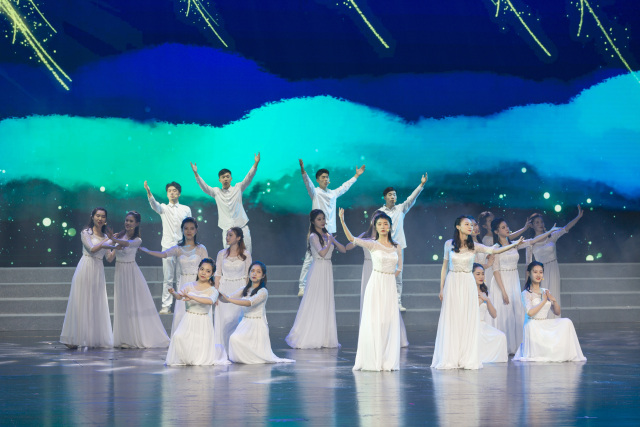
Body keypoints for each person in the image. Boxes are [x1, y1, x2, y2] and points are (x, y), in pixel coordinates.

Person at [431, 216, 523, 370]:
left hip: (467, 282)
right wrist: (442, 288)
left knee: (467, 318)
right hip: (453, 282)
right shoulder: (449, 244)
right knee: (453, 318)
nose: (470, 227)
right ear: (458, 226)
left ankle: (466, 357)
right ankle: (451, 356)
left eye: (471, 225)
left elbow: (494, 250)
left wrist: (515, 244)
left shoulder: (474, 245)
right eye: (466, 224)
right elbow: (444, 267)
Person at [340, 209, 402, 371]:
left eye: (385, 224)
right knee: (376, 321)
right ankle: (373, 358)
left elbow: (399, 267)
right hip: (376, 284)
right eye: (379, 224)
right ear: (375, 226)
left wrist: (389, 276)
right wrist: (342, 221)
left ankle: (386, 359)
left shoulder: (396, 246)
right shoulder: (372, 244)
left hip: (389, 285)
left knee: (388, 321)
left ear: (390, 226)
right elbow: (352, 239)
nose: (383, 226)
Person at [296, 159, 365, 296]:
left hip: (329, 231)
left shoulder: (333, 193)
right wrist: (303, 170)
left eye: (327, 177)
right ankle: (302, 286)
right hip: (316, 230)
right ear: (317, 180)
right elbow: (307, 183)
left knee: (326, 258)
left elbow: (345, 187)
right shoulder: (315, 192)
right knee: (310, 257)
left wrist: (356, 176)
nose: (325, 179)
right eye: (323, 177)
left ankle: (319, 285)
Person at [489, 218, 555, 354]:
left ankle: (514, 346)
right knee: (503, 312)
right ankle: (502, 348)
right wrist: (503, 291)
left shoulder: (514, 244)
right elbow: (495, 271)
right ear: (496, 231)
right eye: (503, 227)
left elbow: (532, 241)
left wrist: (550, 232)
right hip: (501, 282)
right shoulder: (495, 248)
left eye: (507, 226)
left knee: (515, 312)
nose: (507, 229)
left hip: (513, 280)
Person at [106, 211, 170, 348]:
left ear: (137, 223)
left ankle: (133, 338)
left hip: (131, 273)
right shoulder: (118, 236)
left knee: (131, 304)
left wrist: (113, 240)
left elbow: (127, 243)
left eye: (131, 221)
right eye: (126, 220)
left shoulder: (137, 240)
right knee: (122, 305)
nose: (128, 223)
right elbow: (110, 258)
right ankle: (124, 338)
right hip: (119, 273)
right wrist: (108, 243)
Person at [286, 209, 346, 349]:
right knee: (315, 301)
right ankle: (310, 335)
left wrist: (332, 240)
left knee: (326, 301)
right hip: (318, 270)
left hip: (327, 270)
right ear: (313, 222)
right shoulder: (313, 236)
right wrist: (329, 241)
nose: (322, 221)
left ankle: (325, 337)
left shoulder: (327, 234)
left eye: (323, 218)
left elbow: (343, 249)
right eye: (319, 219)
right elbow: (322, 253)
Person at [139, 217, 208, 336]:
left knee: (197, 313)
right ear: (182, 230)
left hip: (197, 284)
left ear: (196, 230)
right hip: (184, 284)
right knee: (182, 314)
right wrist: (147, 251)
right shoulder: (178, 248)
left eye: (192, 228)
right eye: (186, 228)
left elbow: (207, 268)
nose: (189, 231)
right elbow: (163, 254)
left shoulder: (201, 248)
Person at [60, 208, 117, 349]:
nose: (100, 219)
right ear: (92, 217)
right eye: (98, 216)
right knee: (81, 302)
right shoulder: (86, 232)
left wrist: (116, 244)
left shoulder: (105, 236)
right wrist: (108, 240)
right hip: (85, 267)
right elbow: (92, 249)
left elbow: (109, 258)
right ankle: (74, 338)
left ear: (106, 219)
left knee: (95, 303)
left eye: (103, 216)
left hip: (98, 270)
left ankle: (93, 338)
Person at [219, 261, 295, 364]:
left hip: (257, 325)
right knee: (234, 339)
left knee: (237, 339)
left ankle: (251, 359)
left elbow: (249, 302)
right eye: (252, 271)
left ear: (263, 275)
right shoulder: (244, 289)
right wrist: (218, 295)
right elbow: (227, 298)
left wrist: (229, 299)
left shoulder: (263, 291)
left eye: (258, 272)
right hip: (245, 323)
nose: (254, 274)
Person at [513, 262, 586, 362]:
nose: (538, 275)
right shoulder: (526, 293)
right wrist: (543, 301)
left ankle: (565, 353)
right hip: (533, 324)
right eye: (535, 272)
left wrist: (554, 301)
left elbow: (557, 312)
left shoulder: (545, 291)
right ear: (529, 273)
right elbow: (530, 312)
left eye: (541, 272)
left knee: (567, 322)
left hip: (545, 322)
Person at [378, 173, 428, 311]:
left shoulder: (401, 208)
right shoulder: (379, 212)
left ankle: (397, 302)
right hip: (383, 246)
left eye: (394, 194)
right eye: (390, 195)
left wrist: (421, 184)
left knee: (398, 275)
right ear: (385, 197)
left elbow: (411, 199)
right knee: (384, 273)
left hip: (398, 246)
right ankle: (383, 302)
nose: (393, 196)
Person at [165, 258, 230, 366]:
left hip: (203, 321)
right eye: (202, 269)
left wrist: (192, 296)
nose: (203, 273)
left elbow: (209, 301)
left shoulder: (213, 290)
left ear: (212, 274)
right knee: (177, 336)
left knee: (198, 348)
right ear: (198, 269)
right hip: (188, 319)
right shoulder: (188, 285)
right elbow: (179, 296)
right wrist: (173, 293)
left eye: (208, 271)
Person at [190, 153, 260, 253]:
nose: (225, 179)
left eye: (227, 176)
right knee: (228, 256)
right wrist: (196, 173)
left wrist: (255, 163)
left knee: (246, 254)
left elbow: (249, 177)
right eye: (223, 177)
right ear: (219, 180)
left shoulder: (238, 188)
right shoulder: (216, 192)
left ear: (231, 178)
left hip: (242, 226)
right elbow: (204, 187)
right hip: (227, 228)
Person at [525, 205, 584, 318]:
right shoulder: (531, 243)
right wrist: (527, 283)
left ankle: (555, 321)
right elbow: (528, 265)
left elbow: (566, 228)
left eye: (541, 222)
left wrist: (578, 217)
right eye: (537, 222)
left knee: (554, 295)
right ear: (532, 225)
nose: (540, 224)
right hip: (540, 273)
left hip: (553, 269)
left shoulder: (552, 236)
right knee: (542, 297)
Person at [144, 180, 192, 315]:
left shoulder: (186, 209)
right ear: (167, 194)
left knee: (182, 276)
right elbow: (154, 204)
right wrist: (149, 192)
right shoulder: (163, 208)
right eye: (169, 191)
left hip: (183, 246)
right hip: (168, 246)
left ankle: (182, 305)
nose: (172, 193)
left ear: (179, 193)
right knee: (168, 278)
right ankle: (166, 306)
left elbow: (190, 227)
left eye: (174, 191)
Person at [214, 227, 252, 355]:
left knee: (235, 319)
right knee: (224, 320)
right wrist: (216, 293)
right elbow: (218, 274)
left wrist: (247, 294)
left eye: (230, 235)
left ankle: (237, 351)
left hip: (239, 289)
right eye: (227, 235)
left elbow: (247, 276)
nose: (227, 237)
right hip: (224, 289)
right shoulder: (221, 254)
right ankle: (223, 350)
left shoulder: (246, 254)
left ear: (238, 237)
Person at [472, 263, 507, 363]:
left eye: (483, 274)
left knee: (501, 336)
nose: (481, 276)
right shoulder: (468, 291)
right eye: (478, 274)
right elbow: (468, 312)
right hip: (472, 325)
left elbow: (494, 315)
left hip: (482, 325)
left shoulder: (484, 291)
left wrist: (487, 300)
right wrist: (480, 300)